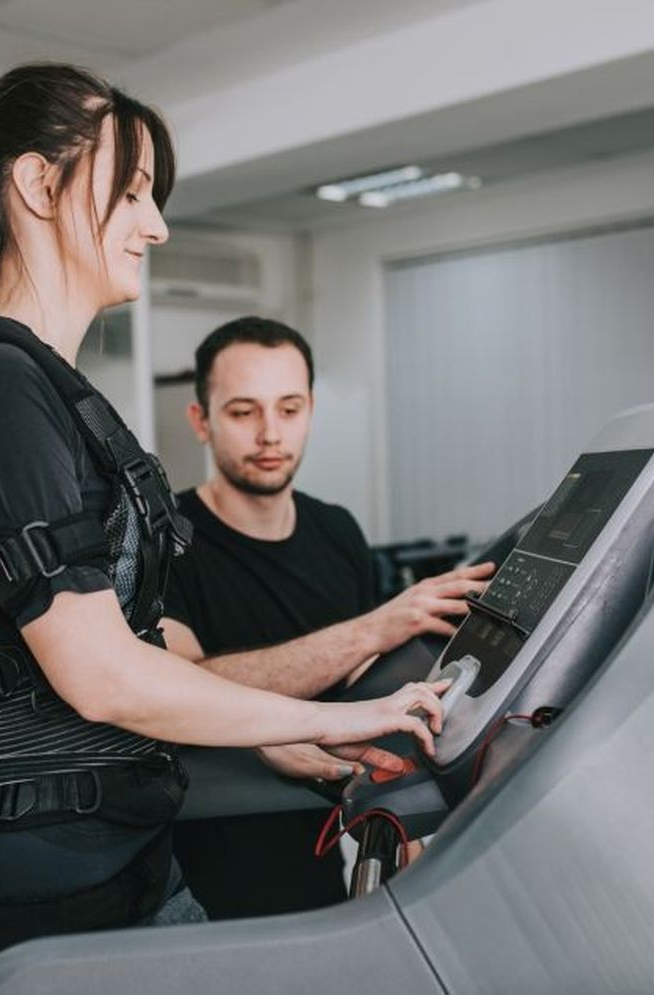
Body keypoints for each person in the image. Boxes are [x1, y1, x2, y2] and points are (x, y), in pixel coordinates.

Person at [0, 63, 450, 990]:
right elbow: (104, 675)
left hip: (115, 852)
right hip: (46, 878)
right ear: (38, 185)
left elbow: (125, 655)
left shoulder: (39, 384)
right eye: (135, 190)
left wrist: (272, 735)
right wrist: (343, 710)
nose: (155, 223)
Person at [159, 317, 493, 918]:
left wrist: (402, 821)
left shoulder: (336, 532)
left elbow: (370, 696)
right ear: (201, 421)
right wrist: (373, 626)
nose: (270, 433)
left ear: (310, 408)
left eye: (289, 409)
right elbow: (175, 687)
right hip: (195, 884)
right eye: (242, 412)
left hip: (318, 871)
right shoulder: (165, 544)